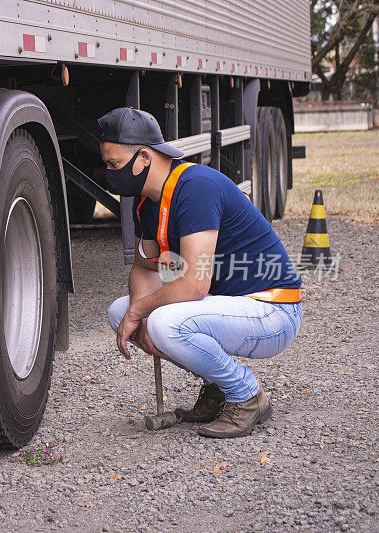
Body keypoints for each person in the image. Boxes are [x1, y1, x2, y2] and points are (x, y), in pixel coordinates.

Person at [101, 107, 302, 438]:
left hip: (273, 310)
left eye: (113, 164)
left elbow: (194, 283)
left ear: (144, 158)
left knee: (163, 323)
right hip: (231, 307)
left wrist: (142, 312)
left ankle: (247, 395)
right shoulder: (147, 202)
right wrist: (138, 314)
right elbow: (143, 267)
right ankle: (217, 388)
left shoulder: (194, 188)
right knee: (119, 312)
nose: (109, 172)